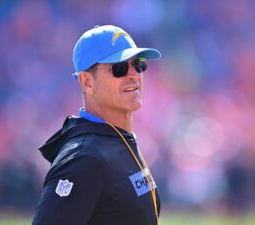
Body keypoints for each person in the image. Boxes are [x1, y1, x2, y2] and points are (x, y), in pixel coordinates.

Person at [32, 25, 161, 225]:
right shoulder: (84, 159)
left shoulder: (117, 139)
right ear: (87, 82)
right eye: (119, 68)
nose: (133, 74)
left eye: (138, 64)